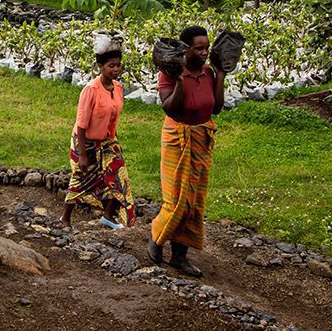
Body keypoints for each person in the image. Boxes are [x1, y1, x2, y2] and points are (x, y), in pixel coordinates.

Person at [148, 25, 225, 277]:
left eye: (207, 47)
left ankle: (180, 256)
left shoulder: (208, 73)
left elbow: (216, 109)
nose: (204, 52)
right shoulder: (169, 74)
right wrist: (180, 80)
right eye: (199, 48)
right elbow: (170, 108)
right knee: (176, 199)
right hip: (177, 139)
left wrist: (221, 75)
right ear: (185, 49)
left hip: (202, 140)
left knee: (194, 202)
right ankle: (156, 238)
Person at [62, 33, 136, 229]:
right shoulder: (91, 90)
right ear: (100, 67)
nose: (115, 69)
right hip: (85, 141)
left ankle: (108, 215)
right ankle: (66, 217)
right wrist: (83, 155)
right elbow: (82, 123)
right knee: (81, 178)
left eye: (118, 65)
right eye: (111, 66)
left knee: (118, 176)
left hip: (108, 140)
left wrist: (111, 139)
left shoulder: (118, 87)